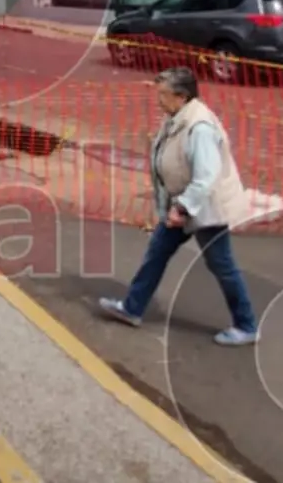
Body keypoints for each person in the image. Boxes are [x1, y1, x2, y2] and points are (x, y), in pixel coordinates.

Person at [98, 66, 260, 346]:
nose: (158, 100)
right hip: (184, 205)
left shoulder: (199, 128)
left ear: (182, 96)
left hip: (206, 209)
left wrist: (182, 209)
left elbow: (206, 176)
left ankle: (246, 325)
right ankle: (132, 308)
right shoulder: (178, 118)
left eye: (163, 94)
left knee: (222, 265)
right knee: (157, 254)